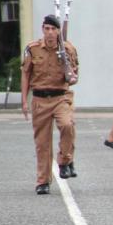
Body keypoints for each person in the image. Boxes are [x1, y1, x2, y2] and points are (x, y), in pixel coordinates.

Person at [20, 15, 79, 194]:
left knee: (67, 125)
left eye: (53, 29)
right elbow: (25, 74)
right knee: (42, 143)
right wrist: (24, 100)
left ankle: (65, 160)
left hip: (61, 96)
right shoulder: (33, 49)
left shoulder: (68, 49)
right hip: (39, 99)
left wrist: (66, 67)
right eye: (47, 29)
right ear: (42, 29)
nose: (50, 32)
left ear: (59, 30)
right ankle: (43, 181)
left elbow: (75, 78)